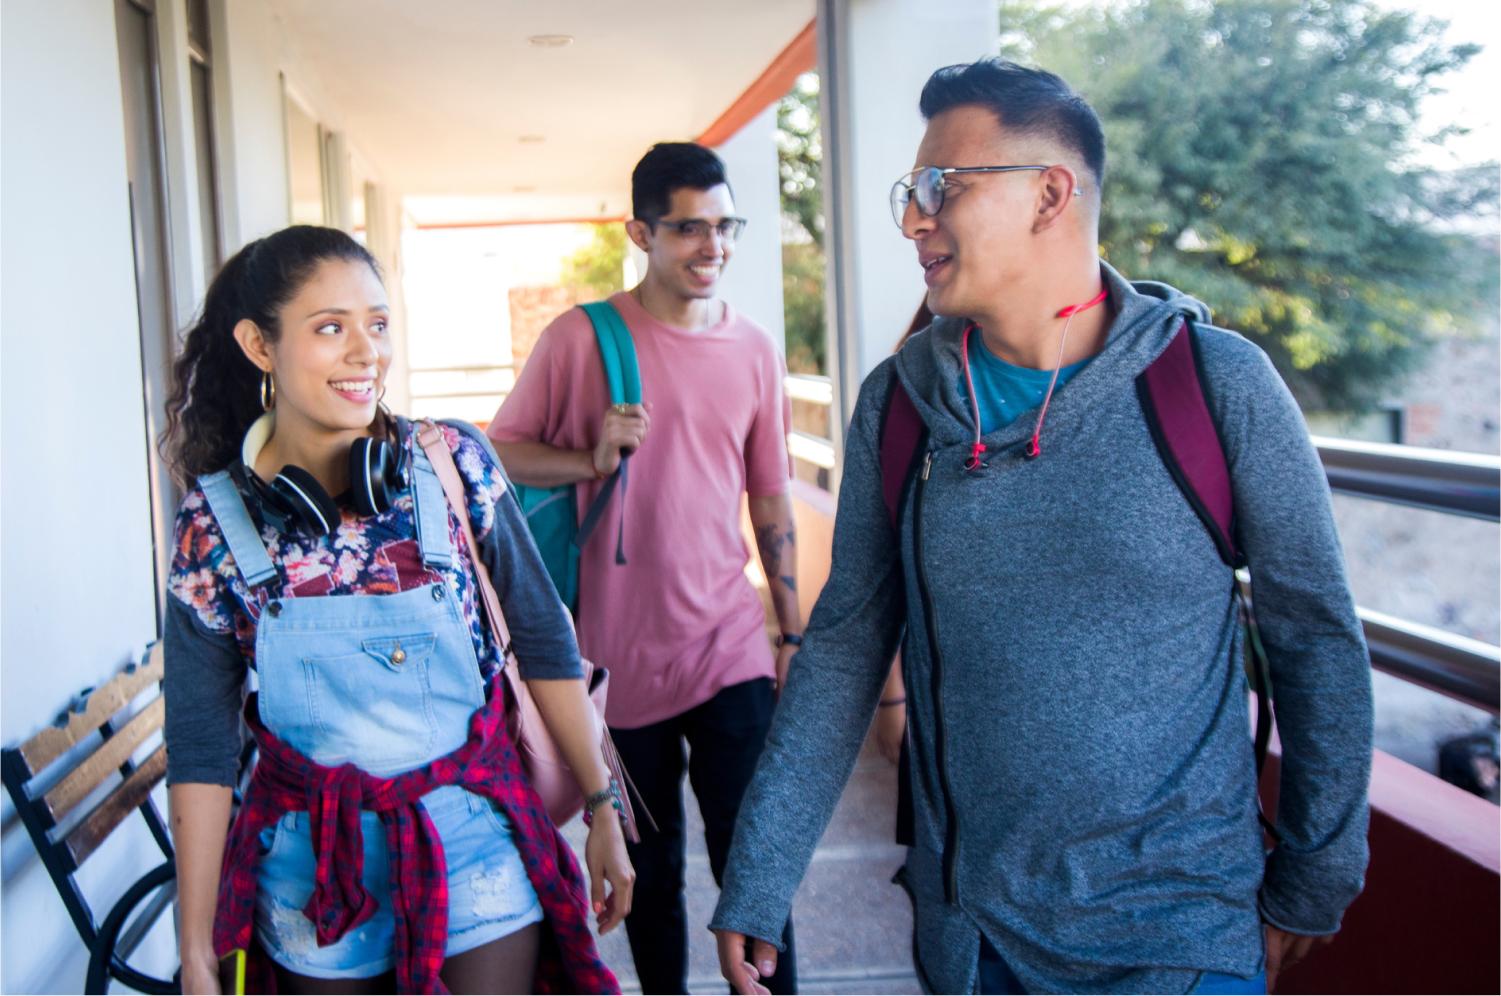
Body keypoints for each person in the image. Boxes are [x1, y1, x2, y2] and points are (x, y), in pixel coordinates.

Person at [711, 59, 1372, 995]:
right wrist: (760, 875)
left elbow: (1315, 641)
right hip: (974, 943)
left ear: (1048, 194)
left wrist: (1313, 878)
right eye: (910, 191)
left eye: (940, 188)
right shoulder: (900, 404)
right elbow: (847, 646)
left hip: (1181, 933)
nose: (912, 219)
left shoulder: (1213, 386)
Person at [161, 225, 632, 995]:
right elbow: (202, 746)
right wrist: (196, 948)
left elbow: (544, 640)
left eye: (377, 324)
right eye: (329, 328)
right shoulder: (211, 528)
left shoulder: (451, 464)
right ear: (258, 345)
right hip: (311, 877)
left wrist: (601, 805)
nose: (365, 353)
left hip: (476, 845)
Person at [488, 142, 802, 994]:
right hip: (617, 667)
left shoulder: (753, 350)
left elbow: (770, 500)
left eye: (725, 225)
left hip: (730, 648)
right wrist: (588, 461)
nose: (713, 246)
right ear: (641, 232)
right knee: (650, 881)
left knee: (757, 876)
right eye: (688, 228)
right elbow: (493, 455)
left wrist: (792, 629)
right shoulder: (580, 340)